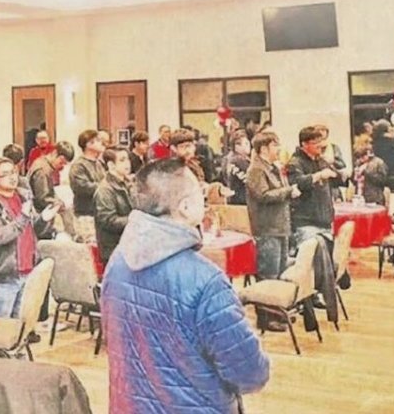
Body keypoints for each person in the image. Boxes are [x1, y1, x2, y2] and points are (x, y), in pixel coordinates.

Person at [102, 158, 269, 413]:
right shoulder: (206, 280)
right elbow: (250, 373)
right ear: (186, 207)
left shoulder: (117, 263)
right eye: (200, 192)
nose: (205, 197)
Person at [0, 157, 58, 317]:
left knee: (21, 322)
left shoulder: (24, 197)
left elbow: (33, 229)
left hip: (28, 270)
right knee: (3, 324)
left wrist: (44, 218)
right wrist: (23, 217)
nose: (12, 177)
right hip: (5, 275)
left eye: (13, 172)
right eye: (5, 174)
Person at [246, 132, 301, 298]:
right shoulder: (256, 169)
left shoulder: (273, 167)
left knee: (280, 272)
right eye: (275, 145)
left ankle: (278, 308)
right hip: (267, 229)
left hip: (279, 227)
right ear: (263, 149)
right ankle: (267, 311)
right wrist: (288, 191)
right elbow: (262, 195)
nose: (279, 149)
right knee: (269, 276)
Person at [287, 126, 339, 247]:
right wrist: (318, 176)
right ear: (304, 144)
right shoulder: (294, 163)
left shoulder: (321, 161)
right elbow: (297, 184)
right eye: (315, 142)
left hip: (325, 220)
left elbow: (336, 179)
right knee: (310, 255)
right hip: (306, 223)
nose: (320, 145)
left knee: (326, 255)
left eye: (321, 141)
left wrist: (342, 175)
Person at [93, 146, 133, 265]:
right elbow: (108, 221)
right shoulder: (105, 190)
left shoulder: (128, 183)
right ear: (111, 165)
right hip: (113, 250)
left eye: (128, 159)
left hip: (128, 245)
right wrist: (134, 219)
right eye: (122, 160)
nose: (127, 163)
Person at [27, 141, 76, 239]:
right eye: (61, 162)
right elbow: (42, 198)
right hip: (38, 213)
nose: (61, 166)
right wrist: (59, 203)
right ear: (54, 153)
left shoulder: (43, 163)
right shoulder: (42, 170)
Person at [68, 130, 107, 241]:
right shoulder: (79, 165)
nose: (102, 143)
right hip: (85, 214)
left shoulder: (99, 163)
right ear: (88, 144)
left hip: (99, 213)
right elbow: (82, 187)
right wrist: (105, 187)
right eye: (98, 141)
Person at [352, 141, 389, 205]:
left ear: (368, 153)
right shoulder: (358, 163)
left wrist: (366, 172)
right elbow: (354, 182)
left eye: (362, 156)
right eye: (358, 157)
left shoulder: (379, 163)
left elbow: (382, 181)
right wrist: (354, 175)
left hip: (374, 198)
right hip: (359, 197)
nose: (360, 159)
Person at [221, 130, 251, 206]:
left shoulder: (227, 159)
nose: (249, 145)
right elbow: (250, 181)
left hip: (233, 198)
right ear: (236, 146)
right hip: (241, 200)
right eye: (246, 143)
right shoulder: (238, 161)